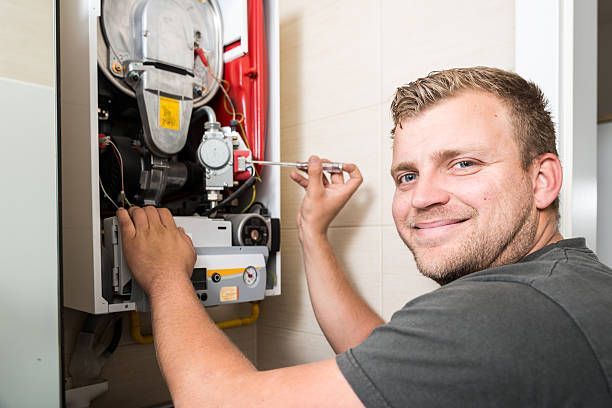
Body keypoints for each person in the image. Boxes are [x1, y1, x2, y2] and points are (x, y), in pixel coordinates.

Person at [117, 67, 612, 407]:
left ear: (542, 179)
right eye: (407, 176)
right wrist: (312, 228)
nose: (421, 198)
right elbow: (382, 359)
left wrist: (164, 276)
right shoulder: (565, 284)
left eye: (463, 163)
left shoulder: (503, 313)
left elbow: (216, 401)